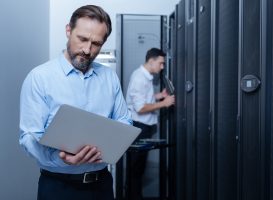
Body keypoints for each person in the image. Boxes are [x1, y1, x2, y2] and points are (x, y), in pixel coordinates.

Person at [19, 5, 131, 200]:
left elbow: (124, 122)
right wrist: (62, 160)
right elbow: (29, 137)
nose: (87, 50)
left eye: (96, 43)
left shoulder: (110, 78)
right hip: (58, 187)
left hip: (102, 186)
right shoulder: (39, 77)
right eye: (83, 39)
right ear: (68, 30)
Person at [125, 48, 175, 200]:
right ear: (151, 61)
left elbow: (142, 98)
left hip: (142, 127)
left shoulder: (144, 77)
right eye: (160, 63)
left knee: (138, 169)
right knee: (136, 169)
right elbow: (140, 108)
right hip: (138, 127)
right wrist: (165, 103)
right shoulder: (139, 78)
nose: (162, 67)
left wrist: (159, 96)